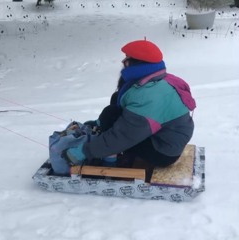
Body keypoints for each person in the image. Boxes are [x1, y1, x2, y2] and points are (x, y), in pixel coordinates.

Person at [65, 39, 196, 173]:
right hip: (166, 136)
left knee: (113, 123)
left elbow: (123, 136)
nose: (123, 62)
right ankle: (103, 136)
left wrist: (85, 151)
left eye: (127, 58)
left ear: (138, 63)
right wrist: (100, 122)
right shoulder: (161, 78)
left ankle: (109, 161)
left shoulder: (148, 97)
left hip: (163, 151)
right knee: (115, 103)